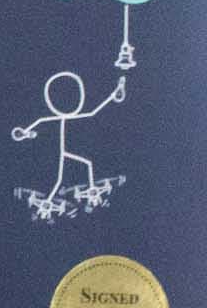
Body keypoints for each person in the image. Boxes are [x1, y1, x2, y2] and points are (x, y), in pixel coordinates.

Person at [12, 70, 125, 212]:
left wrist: (113, 95)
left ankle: (76, 194)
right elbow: (92, 112)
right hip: (64, 151)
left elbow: (92, 113)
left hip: (67, 150)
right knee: (67, 173)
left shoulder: (57, 117)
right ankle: (54, 200)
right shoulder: (55, 118)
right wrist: (25, 133)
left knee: (80, 167)